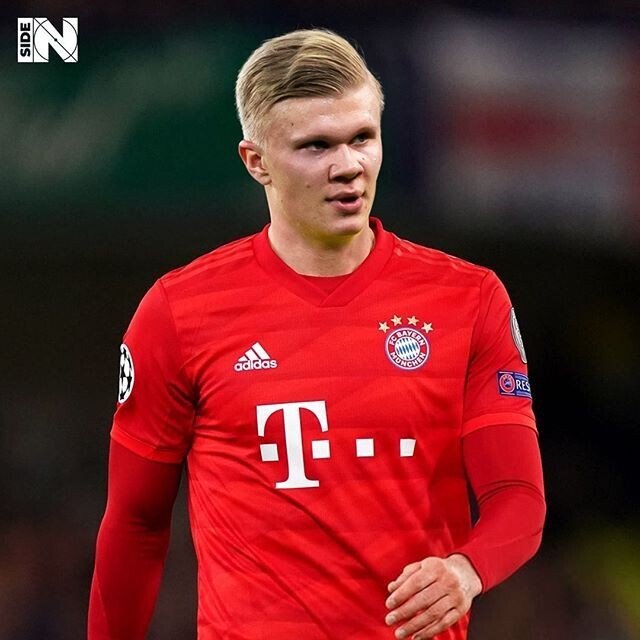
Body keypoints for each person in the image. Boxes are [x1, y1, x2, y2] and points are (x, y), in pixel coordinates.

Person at [88, 28, 545, 640]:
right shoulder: (178, 312)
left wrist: (467, 570)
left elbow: (518, 496)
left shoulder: (468, 299)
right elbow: (135, 523)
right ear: (256, 161)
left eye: (363, 138)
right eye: (315, 146)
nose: (348, 166)